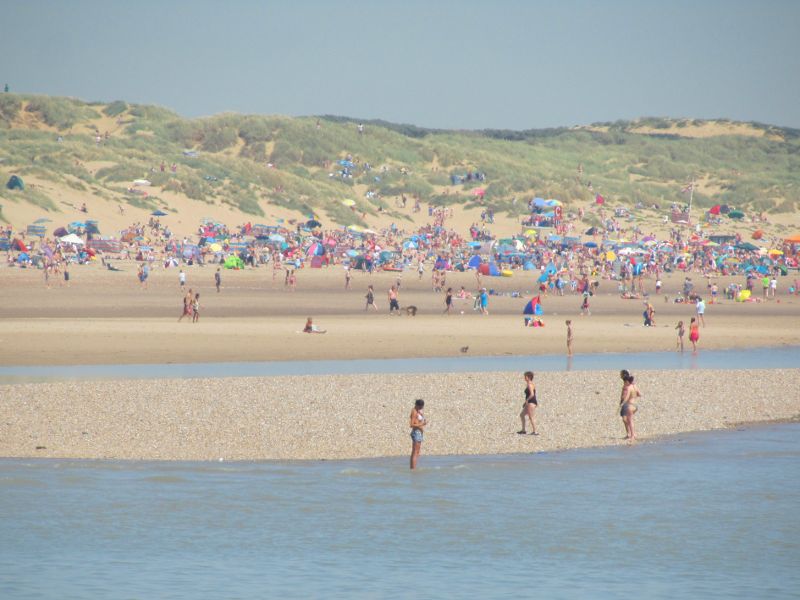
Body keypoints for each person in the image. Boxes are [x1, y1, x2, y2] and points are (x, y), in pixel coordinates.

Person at [619, 372, 640, 441]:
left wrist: (622, 403)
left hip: (629, 405)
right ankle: (632, 434)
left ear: (627, 381)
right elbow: (640, 394)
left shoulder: (629, 387)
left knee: (630, 421)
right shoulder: (634, 386)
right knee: (628, 420)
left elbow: (626, 397)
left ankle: (633, 435)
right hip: (635, 405)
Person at [409, 399, 426, 470]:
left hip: (419, 433)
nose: (421, 408)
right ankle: (413, 468)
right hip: (416, 432)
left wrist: (422, 417)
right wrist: (422, 424)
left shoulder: (418, 411)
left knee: (417, 451)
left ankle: (414, 467)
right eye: (420, 407)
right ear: (417, 405)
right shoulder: (414, 412)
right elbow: (411, 424)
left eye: (422, 407)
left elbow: (419, 420)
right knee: (415, 452)